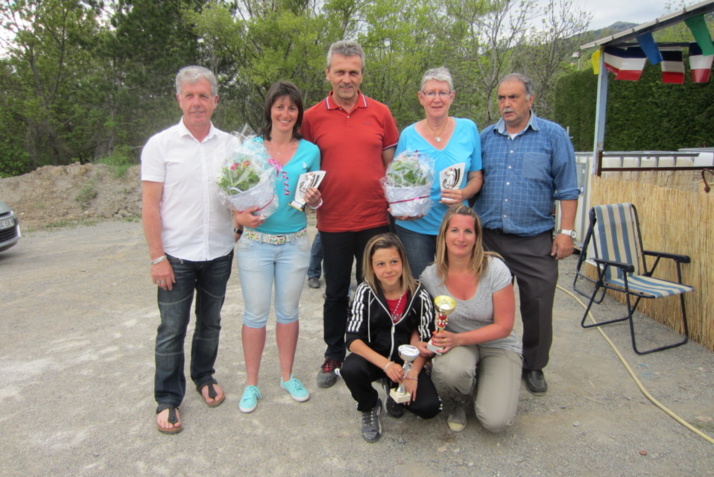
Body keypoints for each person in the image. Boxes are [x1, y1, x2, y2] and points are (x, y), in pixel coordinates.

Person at [141, 65, 236, 434]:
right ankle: (167, 397)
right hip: (176, 257)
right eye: (189, 95)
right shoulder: (160, 145)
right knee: (172, 329)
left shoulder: (231, 145)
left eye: (203, 96)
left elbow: (240, 194)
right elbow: (150, 206)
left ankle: (204, 375)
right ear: (178, 98)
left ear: (215, 101)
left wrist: (244, 219)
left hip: (218, 253)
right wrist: (157, 257)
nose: (197, 103)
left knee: (210, 323)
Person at [302, 40, 400, 389]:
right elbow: (305, 168)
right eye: (340, 72)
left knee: (375, 288)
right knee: (336, 291)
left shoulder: (380, 113)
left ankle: (376, 352)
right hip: (334, 222)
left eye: (353, 72)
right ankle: (334, 353)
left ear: (362, 74)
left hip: (375, 218)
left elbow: (392, 166)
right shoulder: (311, 117)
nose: (347, 78)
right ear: (328, 73)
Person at [474, 73, 579, 395]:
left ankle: (533, 365)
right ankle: (484, 361)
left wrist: (566, 232)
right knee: (482, 306)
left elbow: (568, 187)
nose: (506, 104)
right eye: (502, 98)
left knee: (537, 303)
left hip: (534, 239)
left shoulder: (552, 136)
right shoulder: (485, 138)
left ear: (530, 100)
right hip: (489, 239)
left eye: (514, 97)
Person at [233, 81, 322, 413]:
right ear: (269, 109)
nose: (285, 113)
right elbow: (232, 188)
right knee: (255, 314)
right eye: (279, 106)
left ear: (298, 113)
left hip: (295, 243)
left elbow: (312, 199)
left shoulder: (310, 151)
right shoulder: (251, 146)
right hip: (256, 244)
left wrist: (316, 199)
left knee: (288, 313)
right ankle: (251, 384)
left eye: (292, 108)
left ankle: (287, 376)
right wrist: (239, 215)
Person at [420, 205, 521, 433]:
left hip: (497, 343)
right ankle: (461, 397)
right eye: (454, 230)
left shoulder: (495, 269)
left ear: (477, 237)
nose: (461, 238)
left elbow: (505, 326)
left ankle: (486, 381)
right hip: (459, 344)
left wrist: (458, 339)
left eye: (468, 231)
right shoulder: (430, 276)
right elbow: (424, 320)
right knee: (448, 372)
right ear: (444, 235)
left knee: (496, 422)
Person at [341, 233, 441, 442]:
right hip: (376, 359)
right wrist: (386, 366)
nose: (388, 269)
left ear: (403, 261)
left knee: (429, 408)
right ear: (371, 267)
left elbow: (426, 342)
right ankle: (369, 405)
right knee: (350, 368)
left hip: (406, 362)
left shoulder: (419, 293)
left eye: (394, 262)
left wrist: (413, 373)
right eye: (380, 264)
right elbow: (352, 339)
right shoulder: (365, 292)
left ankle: (394, 386)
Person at [393, 67, 483, 278]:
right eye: (431, 93)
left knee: (456, 285)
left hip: (457, 226)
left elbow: (477, 177)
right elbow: (397, 183)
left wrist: (463, 194)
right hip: (416, 226)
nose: (437, 99)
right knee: (421, 286)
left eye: (443, 93)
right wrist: (402, 207)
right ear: (421, 98)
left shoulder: (468, 129)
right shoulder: (408, 135)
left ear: (452, 97)